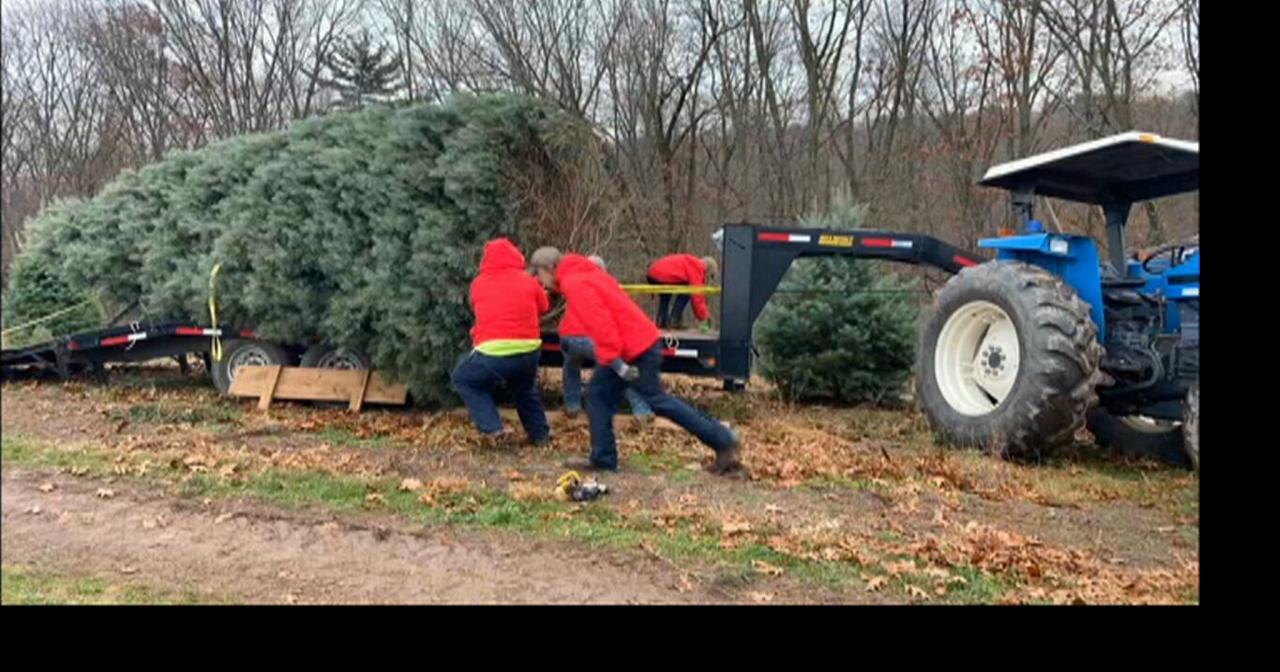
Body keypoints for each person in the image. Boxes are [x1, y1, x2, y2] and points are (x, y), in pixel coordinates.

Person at [529, 247, 743, 474]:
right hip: (632, 343)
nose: (540, 282)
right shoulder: (585, 273)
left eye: (539, 275)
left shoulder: (575, 282)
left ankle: (724, 441)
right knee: (598, 396)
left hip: (634, 348)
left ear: (549, 269)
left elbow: (602, 324)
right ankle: (603, 459)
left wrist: (617, 363)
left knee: (657, 401)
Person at [451, 238, 551, 447]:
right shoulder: (528, 281)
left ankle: (493, 429)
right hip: (529, 350)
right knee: (524, 389)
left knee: (464, 379)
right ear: (516, 257)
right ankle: (540, 435)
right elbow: (544, 307)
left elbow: (481, 311)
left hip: (494, 352)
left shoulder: (478, 284)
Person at [557, 254, 655, 425]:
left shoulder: (575, 280)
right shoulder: (604, 282)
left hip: (570, 337)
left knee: (571, 366)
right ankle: (642, 410)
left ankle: (572, 405)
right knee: (620, 370)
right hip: (593, 338)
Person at [646, 253, 718, 330]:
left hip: (654, 273)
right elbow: (698, 296)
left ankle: (662, 320)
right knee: (687, 290)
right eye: (710, 276)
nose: (708, 279)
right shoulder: (696, 268)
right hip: (660, 275)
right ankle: (674, 319)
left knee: (666, 294)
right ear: (707, 269)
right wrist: (705, 317)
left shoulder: (692, 263)